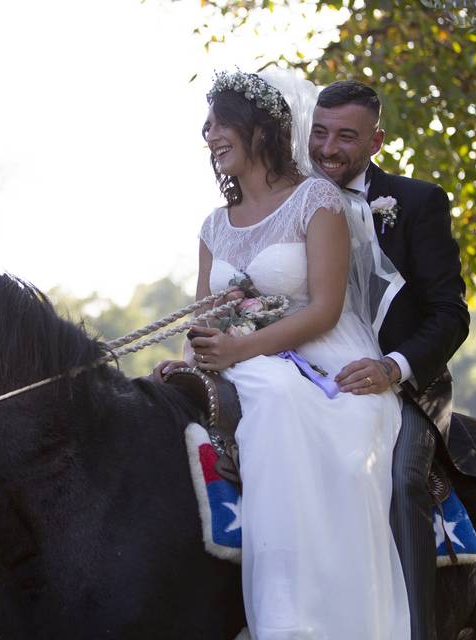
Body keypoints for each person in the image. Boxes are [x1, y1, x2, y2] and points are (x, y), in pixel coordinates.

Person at [155, 70, 409, 639]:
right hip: (241, 357)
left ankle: (302, 619)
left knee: (280, 395)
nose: (208, 134)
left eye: (220, 122)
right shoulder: (213, 225)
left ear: (258, 129)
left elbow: (323, 308)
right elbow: (205, 316)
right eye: (208, 125)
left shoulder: (316, 201)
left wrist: (241, 346)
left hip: (325, 362)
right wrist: (193, 359)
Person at [309, 80, 475, 640]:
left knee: (402, 484)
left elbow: (451, 315)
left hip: (401, 385)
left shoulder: (420, 202)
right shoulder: (293, 200)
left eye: (346, 137)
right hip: (309, 377)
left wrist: (392, 368)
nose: (329, 148)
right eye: (320, 132)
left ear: (376, 141)